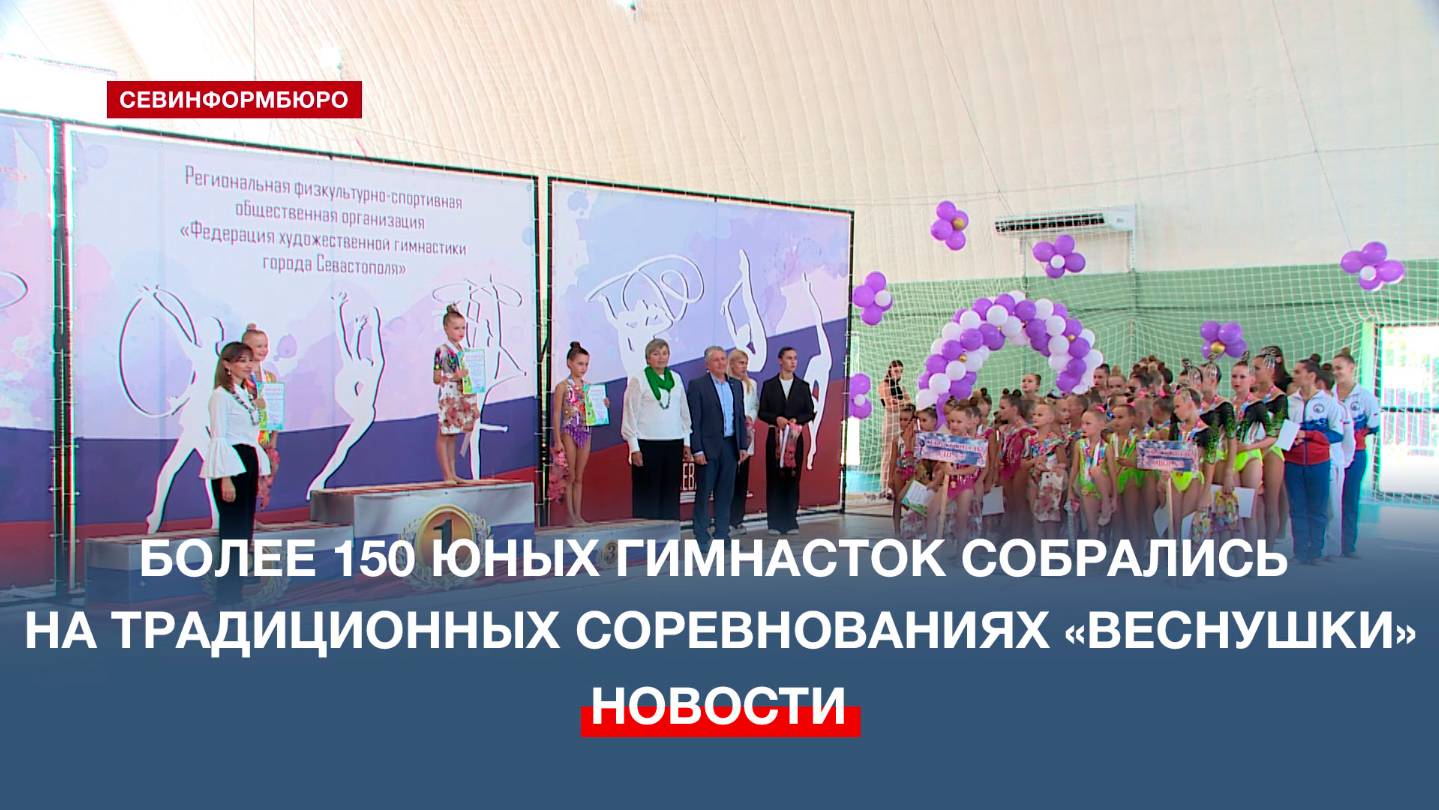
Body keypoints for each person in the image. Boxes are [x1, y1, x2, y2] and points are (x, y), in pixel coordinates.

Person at [200, 342, 271, 607]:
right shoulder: (220, 396)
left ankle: (235, 595)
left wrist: (261, 473)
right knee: (232, 533)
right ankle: (226, 597)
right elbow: (219, 436)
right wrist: (226, 477)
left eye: (250, 360)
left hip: (248, 460)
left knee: (243, 533)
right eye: (242, 360)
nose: (248, 365)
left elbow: (252, 434)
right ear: (227, 365)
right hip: (231, 463)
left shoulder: (244, 394)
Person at [621, 338, 692, 520]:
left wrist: (686, 441)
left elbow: (683, 411)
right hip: (648, 444)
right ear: (647, 358)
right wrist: (634, 448)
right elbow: (630, 413)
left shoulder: (675, 378)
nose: (661, 357)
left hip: (673, 443)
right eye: (656, 354)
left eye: (664, 353)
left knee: (670, 493)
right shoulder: (639, 380)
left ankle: (668, 533)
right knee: (648, 495)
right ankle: (646, 535)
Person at [687, 346, 749, 548]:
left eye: (723, 359)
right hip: (708, 447)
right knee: (704, 493)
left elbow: (739, 417)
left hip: (730, 445)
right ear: (707, 364)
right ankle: (702, 535)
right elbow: (694, 420)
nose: (721, 363)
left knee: (725, 493)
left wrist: (742, 445)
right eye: (716, 360)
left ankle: (723, 534)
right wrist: (697, 449)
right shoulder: (698, 385)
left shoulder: (736, 385)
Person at [1284, 357, 1344, 564]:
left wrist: (1309, 435)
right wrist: (1291, 438)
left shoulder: (1328, 403)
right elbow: (1281, 434)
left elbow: (1337, 434)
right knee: (1297, 508)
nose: (1294, 375)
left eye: (1298, 372)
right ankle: (1299, 551)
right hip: (1293, 463)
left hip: (1319, 463)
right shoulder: (1289, 402)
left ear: (1311, 376)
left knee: (1318, 509)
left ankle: (1316, 552)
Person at [758, 346, 816, 536]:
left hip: (794, 438)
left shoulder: (803, 386)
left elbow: (809, 412)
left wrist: (796, 420)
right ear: (780, 360)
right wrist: (777, 419)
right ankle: (774, 522)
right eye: (789, 358)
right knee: (774, 478)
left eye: (795, 358)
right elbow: (762, 412)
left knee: (792, 477)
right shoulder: (769, 385)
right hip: (775, 438)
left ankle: (790, 520)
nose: (793, 362)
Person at [1333, 347, 1379, 558]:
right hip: (1332, 455)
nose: (1336, 372)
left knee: (1349, 500)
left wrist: (1353, 437)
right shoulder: (1329, 395)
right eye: (1334, 369)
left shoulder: (1365, 397)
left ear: (1352, 368)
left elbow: (1374, 425)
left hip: (1356, 455)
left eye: (1340, 368)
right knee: (1330, 501)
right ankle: (1328, 545)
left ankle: (1348, 546)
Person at [553, 341, 606, 526]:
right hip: (569, 431)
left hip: (585, 432)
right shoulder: (562, 386)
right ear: (569, 363)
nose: (583, 368)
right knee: (570, 474)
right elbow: (557, 413)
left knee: (579, 477)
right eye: (580, 363)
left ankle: (578, 514)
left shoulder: (588, 388)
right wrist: (557, 440)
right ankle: (570, 515)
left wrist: (602, 405)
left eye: (586, 364)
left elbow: (594, 412)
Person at [433, 304, 478, 485]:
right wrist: (453, 376)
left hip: (460, 396)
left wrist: (473, 403)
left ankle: (453, 473)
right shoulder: (442, 350)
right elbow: (436, 378)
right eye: (456, 328)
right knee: (444, 434)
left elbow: (469, 379)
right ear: (446, 329)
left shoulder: (463, 351)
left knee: (453, 434)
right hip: (448, 396)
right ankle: (446, 475)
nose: (460, 332)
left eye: (463, 328)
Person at [241, 323, 281, 514]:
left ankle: (253, 516)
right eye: (259, 346)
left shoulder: (270, 377)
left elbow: (275, 412)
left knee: (264, 477)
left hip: (264, 438)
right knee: (245, 480)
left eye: (266, 345)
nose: (264, 350)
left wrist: (273, 440)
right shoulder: (240, 378)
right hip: (244, 438)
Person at [728, 348, 760, 533]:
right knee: (729, 481)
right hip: (730, 437)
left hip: (746, 437)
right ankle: (726, 519)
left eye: (746, 363)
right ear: (732, 364)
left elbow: (755, 405)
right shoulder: (725, 383)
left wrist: (750, 418)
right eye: (741, 363)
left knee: (742, 481)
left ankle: (738, 519)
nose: (744, 367)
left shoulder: (751, 384)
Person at [878, 360, 911, 493]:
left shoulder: (901, 387)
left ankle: (895, 485)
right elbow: (889, 406)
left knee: (899, 453)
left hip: (901, 421)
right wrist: (901, 402)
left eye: (901, 371)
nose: (898, 374)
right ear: (890, 371)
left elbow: (909, 402)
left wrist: (898, 401)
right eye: (896, 371)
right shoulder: (884, 385)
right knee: (888, 453)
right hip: (891, 420)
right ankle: (885, 486)